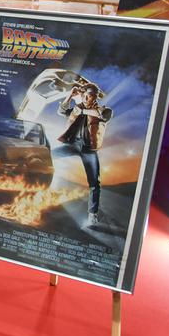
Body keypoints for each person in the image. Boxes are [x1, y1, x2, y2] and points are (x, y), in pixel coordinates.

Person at [57, 83, 113, 228]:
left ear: (95, 96)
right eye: (86, 95)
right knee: (49, 155)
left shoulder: (102, 110)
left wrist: (81, 109)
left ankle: (92, 215)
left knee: (94, 183)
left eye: (92, 95)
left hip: (89, 149)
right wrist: (69, 95)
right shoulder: (78, 108)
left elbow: (102, 115)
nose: (89, 97)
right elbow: (61, 111)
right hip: (73, 144)